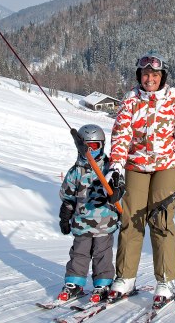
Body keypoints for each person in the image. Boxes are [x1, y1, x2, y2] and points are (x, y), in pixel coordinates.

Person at [107, 52, 175, 305]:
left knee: (161, 220)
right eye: (145, 74)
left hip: (166, 165)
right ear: (139, 76)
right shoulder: (131, 100)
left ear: (162, 77)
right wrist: (116, 165)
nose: (149, 79)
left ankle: (165, 279)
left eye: (154, 75)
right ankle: (125, 277)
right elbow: (121, 134)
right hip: (136, 165)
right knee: (130, 219)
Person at [58, 124, 125, 303]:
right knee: (79, 254)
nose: (90, 150)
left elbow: (121, 188)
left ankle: (103, 283)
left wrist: (118, 191)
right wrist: (65, 216)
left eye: (94, 146)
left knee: (102, 255)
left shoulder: (111, 169)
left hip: (105, 223)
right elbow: (68, 196)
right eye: (87, 146)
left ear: (102, 145)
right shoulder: (76, 171)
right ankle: (74, 282)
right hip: (81, 223)